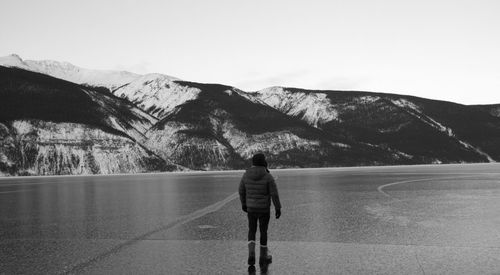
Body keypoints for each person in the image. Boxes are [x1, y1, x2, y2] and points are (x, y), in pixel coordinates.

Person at [239, 153, 282, 268]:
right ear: (263, 162)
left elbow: (241, 190)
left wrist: (244, 204)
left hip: (251, 208)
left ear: (253, 162)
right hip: (264, 209)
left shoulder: (246, 175)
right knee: (263, 232)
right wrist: (278, 208)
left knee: (251, 231)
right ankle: (263, 257)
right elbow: (274, 194)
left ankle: (251, 254)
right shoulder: (268, 176)